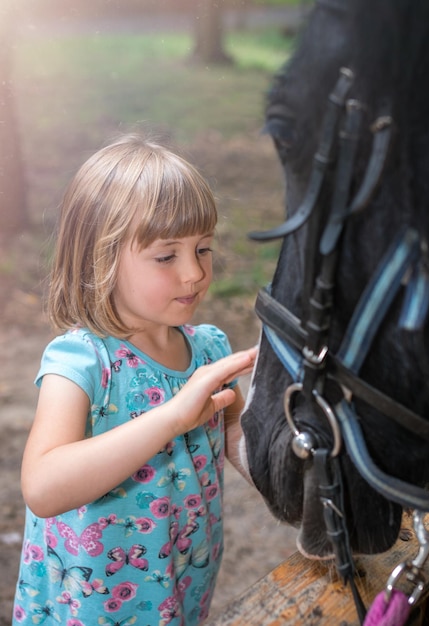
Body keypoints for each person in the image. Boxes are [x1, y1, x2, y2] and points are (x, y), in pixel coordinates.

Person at [12, 134, 257, 625]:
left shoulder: (208, 349)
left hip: (182, 588)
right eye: (166, 257)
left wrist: (306, 496)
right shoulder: (81, 361)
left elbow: (235, 440)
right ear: (101, 260)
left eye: (203, 248)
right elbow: (42, 485)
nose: (194, 273)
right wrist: (172, 417)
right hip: (86, 611)